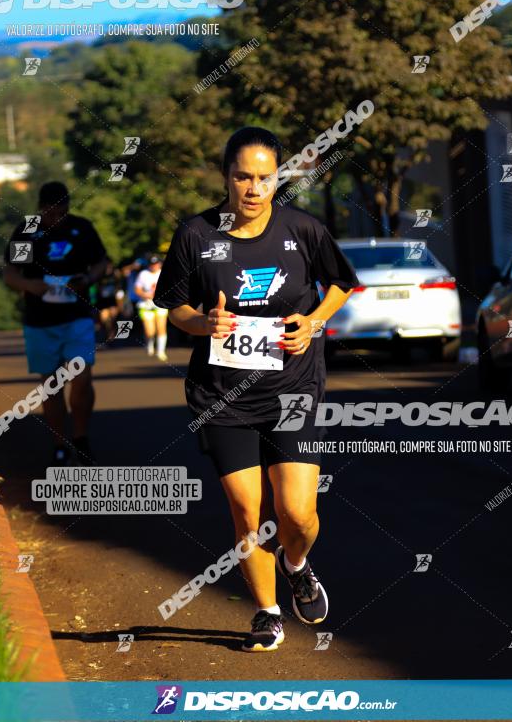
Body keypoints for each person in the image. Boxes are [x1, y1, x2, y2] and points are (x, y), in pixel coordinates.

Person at [154, 126, 358, 652]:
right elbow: (173, 305)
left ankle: (296, 563)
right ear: (226, 178)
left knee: (297, 513)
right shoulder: (197, 235)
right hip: (222, 395)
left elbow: (341, 282)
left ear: (277, 179)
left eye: (264, 177)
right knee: (249, 512)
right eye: (242, 176)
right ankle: (267, 613)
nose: (252, 187)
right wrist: (205, 324)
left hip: (293, 388)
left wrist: (313, 321)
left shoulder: (303, 229)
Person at [3, 181, 107, 465]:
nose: (56, 217)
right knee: (51, 385)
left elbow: (101, 263)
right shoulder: (27, 231)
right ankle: (59, 443)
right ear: (41, 208)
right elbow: (11, 274)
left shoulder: (81, 229)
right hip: (40, 321)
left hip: (77, 316)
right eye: (51, 212)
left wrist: (86, 280)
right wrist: (30, 285)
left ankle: (81, 437)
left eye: (62, 211)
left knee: (82, 378)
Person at [135, 256, 169, 361]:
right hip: (146, 306)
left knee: (161, 328)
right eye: (152, 264)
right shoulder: (143, 274)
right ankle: (149, 344)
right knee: (150, 331)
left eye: (156, 263)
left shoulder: (164, 273)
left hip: (160, 305)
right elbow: (137, 289)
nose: (154, 266)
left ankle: (161, 351)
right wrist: (145, 295)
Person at [95, 260, 123, 341]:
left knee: (113, 317)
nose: (108, 269)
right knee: (104, 319)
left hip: (113, 300)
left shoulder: (115, 275)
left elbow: (119, 287)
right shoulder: (100, 276)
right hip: (103, 301)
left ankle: (113, 332)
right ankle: (109, 333)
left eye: (110, 267)